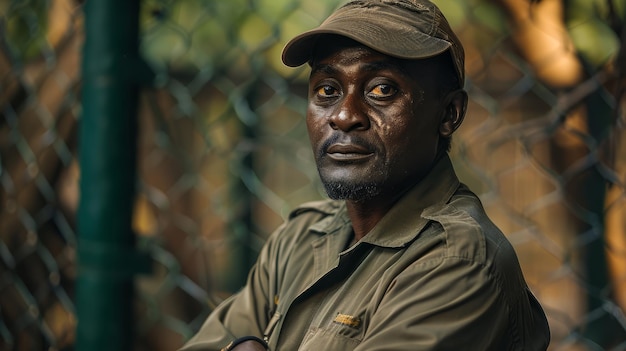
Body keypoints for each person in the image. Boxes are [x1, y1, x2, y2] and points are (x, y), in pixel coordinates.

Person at [180, 0, 551, 350]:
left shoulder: (456, 262)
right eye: (327, 90)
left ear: (449, 114)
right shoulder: (299, 240)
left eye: (381, 90)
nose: (344, 115)